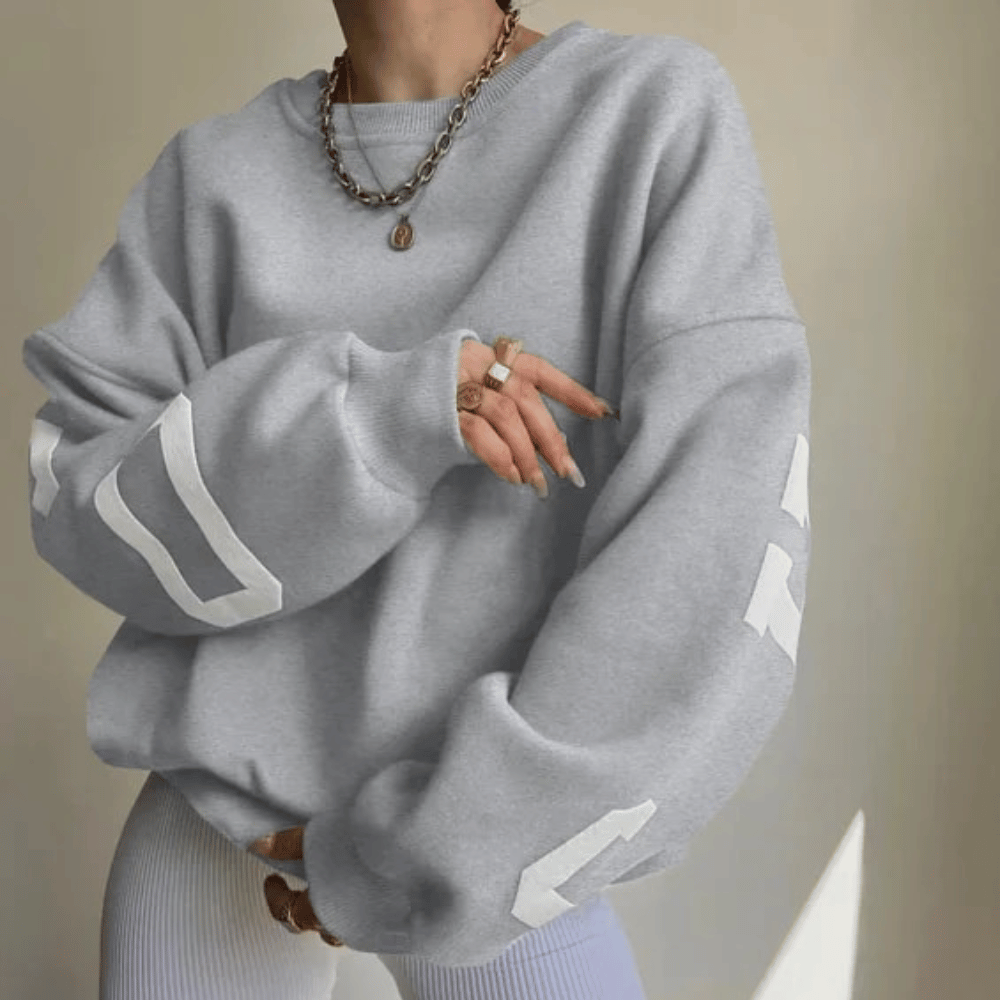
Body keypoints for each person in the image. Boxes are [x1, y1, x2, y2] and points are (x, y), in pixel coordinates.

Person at [22, 0, 813, 995]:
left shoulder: (644, 115)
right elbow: (84, 502)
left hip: (497, 859)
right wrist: (373, 418)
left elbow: (707, 555)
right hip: (217, 838)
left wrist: (443, 852)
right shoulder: (211, 177)